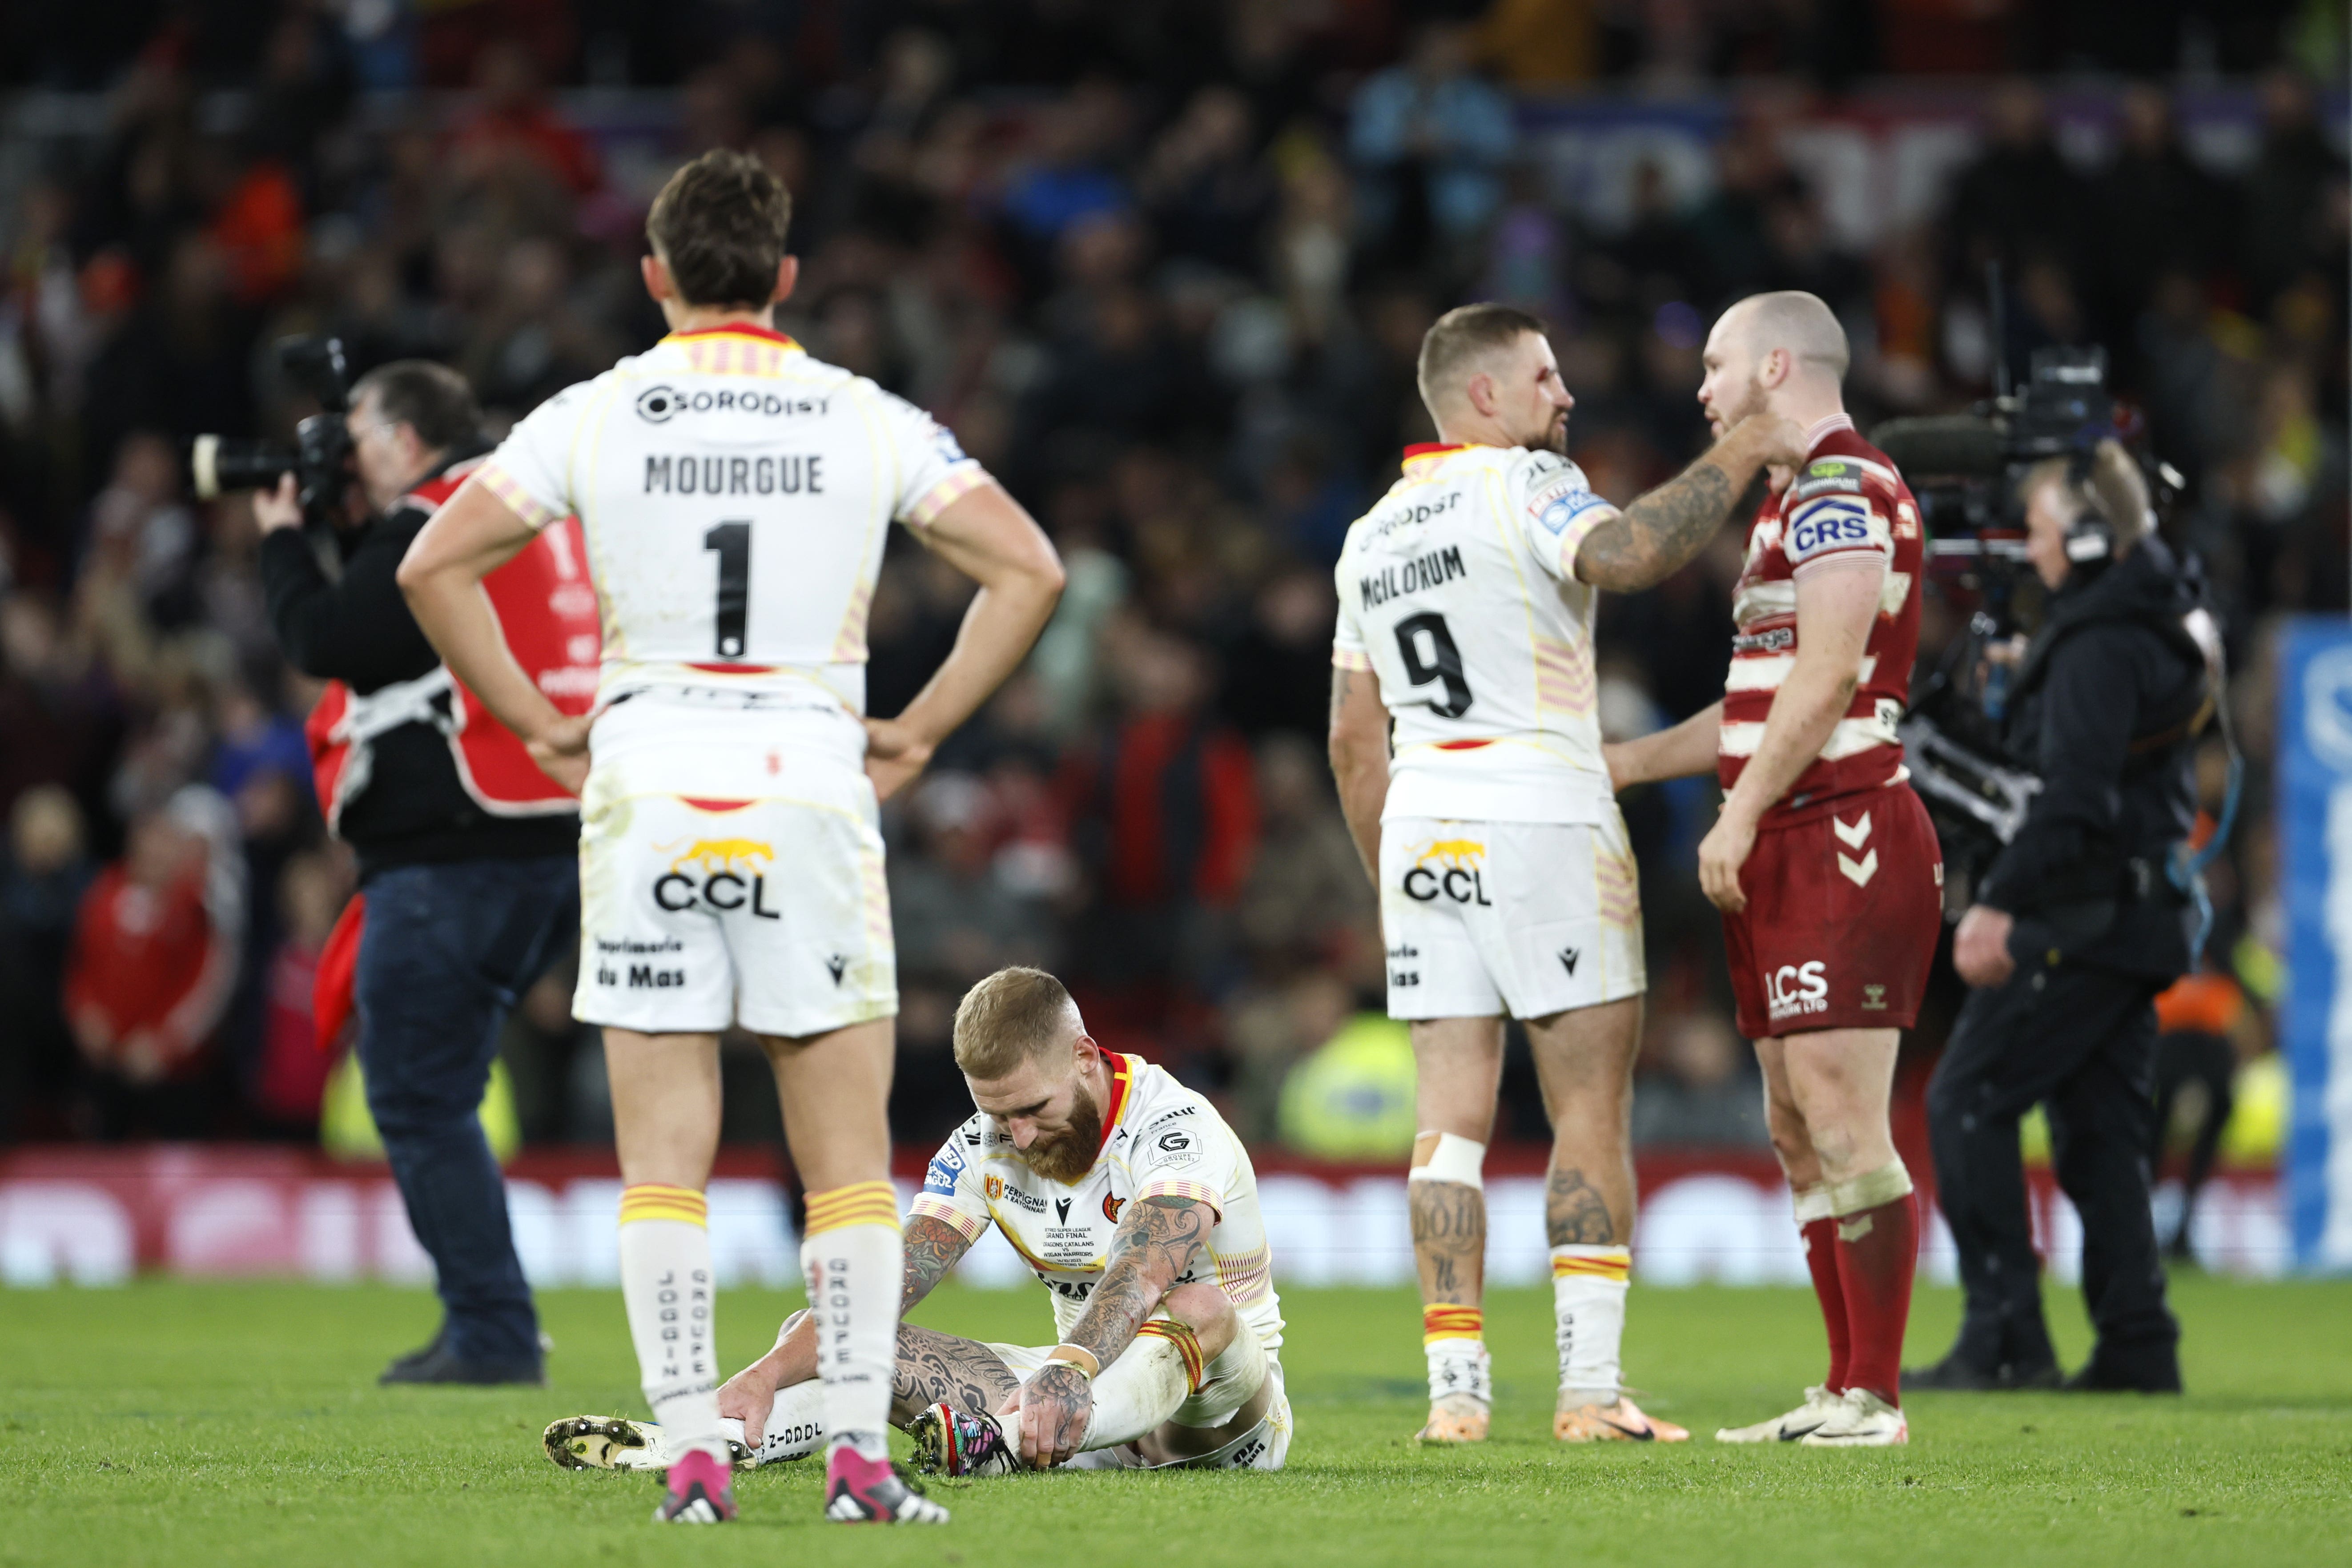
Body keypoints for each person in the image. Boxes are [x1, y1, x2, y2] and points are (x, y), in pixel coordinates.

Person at [398, 150, 1064, 1526]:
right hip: (804, 774)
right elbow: (1028, 567)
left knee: (665, 1158)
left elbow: (431, 565)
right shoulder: (862, 414)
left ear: (654, 278)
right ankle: (857, 1468)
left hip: (645, 772)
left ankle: (695, 1450)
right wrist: (924, 726)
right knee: (843, 1161)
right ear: (788, 280)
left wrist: (537, 717)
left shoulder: (593, 412)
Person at [1325, 301, 1805, 1445]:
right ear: (1483, 396)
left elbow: (1353, 743)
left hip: (1423, 824)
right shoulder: (1526, 481)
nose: (1565, 396)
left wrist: (1392, 869)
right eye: (1543, 377)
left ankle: (1455, 1397)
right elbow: (1630, 554)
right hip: (1542, 807)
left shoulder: (1369, 534)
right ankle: (1588, 1390)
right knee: (1587, 1103)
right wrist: (1743, 444)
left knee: (1446, 1122)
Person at [1604, 291, 1941, 1448]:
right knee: (1796, 1124)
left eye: (1717, 363)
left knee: (1846, 1117)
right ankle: (1843, 1385)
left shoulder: (1845, 484)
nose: (1702, 387)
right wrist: (1633, 763)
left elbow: (1832, 675)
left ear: (1777, 364)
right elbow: (1758, 698)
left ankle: (1878, 1398)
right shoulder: (1789, 504)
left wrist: (1737, 815)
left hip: (1841, 825)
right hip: (1788, 831)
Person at [540, 966, 1289, 1480]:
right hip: (1061, 1411)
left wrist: (1066, 1370)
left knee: (1195, 1305)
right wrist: (763, 1373)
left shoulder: (1173, 1126)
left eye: (1033, 1109)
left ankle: (1003, 1438)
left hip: (1223, 1424)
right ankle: (712, 1442)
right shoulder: (981, 1143)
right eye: (997, 1113)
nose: (1018, 1136)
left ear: (1086, 1057)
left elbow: (1143, 1268)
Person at [257, 358, 592, 1387]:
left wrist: (281, 538)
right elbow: (405, 637)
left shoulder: (431, 522)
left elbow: (328, 635)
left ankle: (492, 1328)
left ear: (405, 441)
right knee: (439, 1083)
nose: (337, 457)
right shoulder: (535, 510)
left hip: (455, 853)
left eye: (352, 437)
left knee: (414, 1089)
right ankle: (491, 1319)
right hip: (552, 836)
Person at [1910, 441, 2205, 1395]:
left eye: (2035, 530)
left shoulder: (2093, 643)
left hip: (2076, 914)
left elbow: (2070, 798)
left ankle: (2005, 1334)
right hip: (2131, 912)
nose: (2024, 549)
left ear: (2084, 536)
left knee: (1966, 1102)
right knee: (2094, 1131)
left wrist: (1997, 900)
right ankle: (2136, 1341)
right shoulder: (2146, 623)